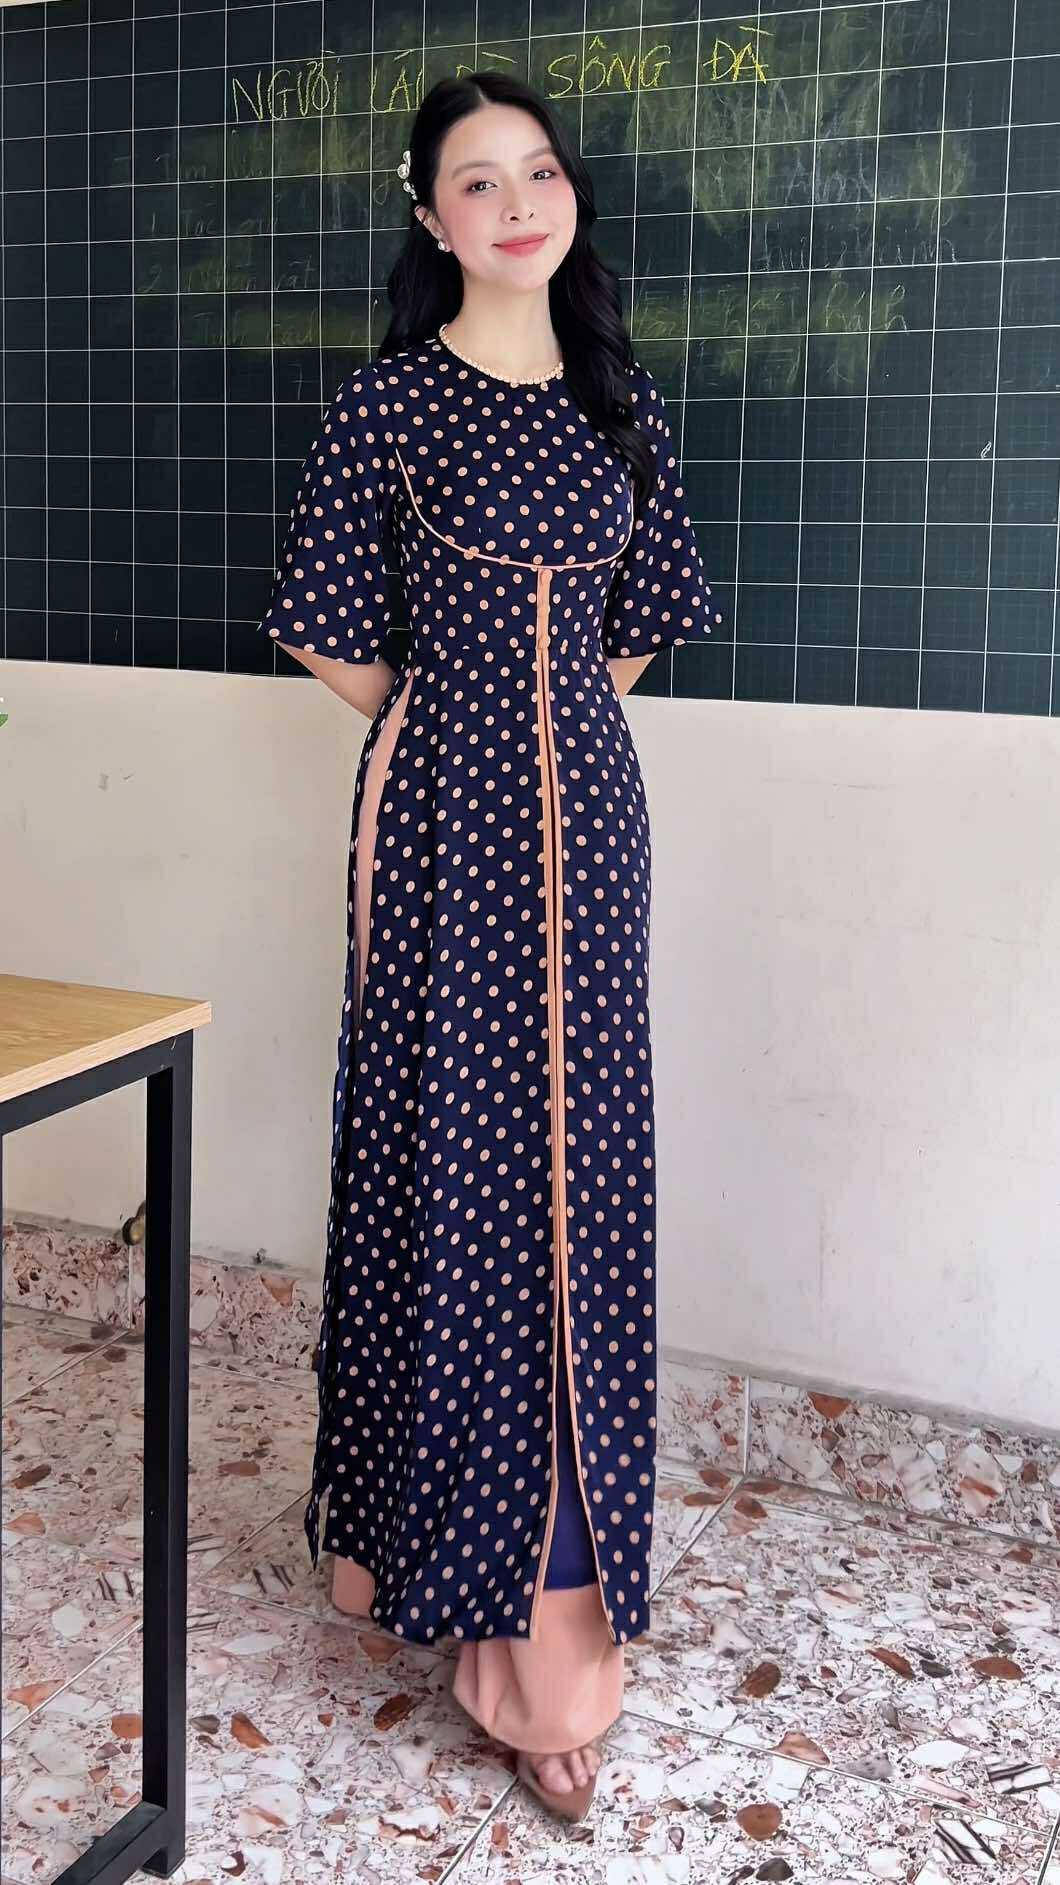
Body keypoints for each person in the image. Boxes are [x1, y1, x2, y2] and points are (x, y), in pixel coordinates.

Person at [257, 69, 721, 1821]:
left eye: (539, 171)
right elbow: (326, 628)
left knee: (579, 1197)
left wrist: (550, 734)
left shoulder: (619, 402)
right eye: (478, 179)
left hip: (590, 838)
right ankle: (437, 1562)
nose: (519, 202)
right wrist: (454, 729)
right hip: (439, 831)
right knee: (448, 1173)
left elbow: (639, 622)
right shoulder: (390, 404)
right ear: (429, 216)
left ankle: (554, 1643)